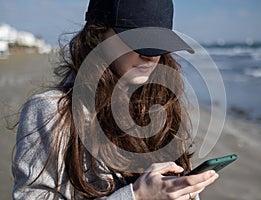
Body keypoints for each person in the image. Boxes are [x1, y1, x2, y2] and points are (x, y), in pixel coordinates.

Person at [12, 0, 219, 199]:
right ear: (98, 34)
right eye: (139, 41)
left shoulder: (162, 106)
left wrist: (184, 191)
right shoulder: (51, 111)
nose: (151, 56)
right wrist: (137, 196)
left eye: (159, 44)